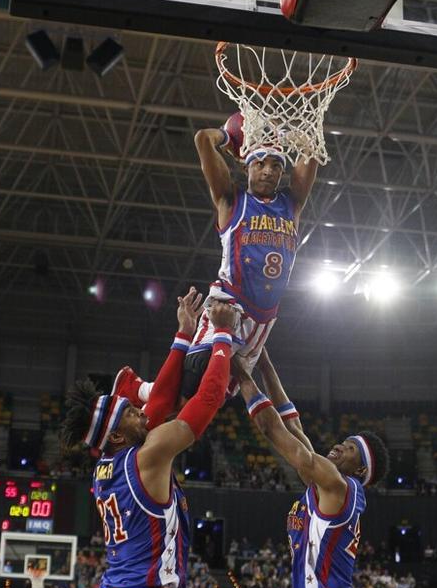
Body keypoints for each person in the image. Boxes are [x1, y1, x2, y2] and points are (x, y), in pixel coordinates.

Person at [111, 112, 321, 406]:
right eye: (260, 163)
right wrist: (229, 135)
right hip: (228, 305)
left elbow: (312, 149)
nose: (268, 171)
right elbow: (202, 140)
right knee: (192, 388)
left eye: (276, 165)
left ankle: (141, 393)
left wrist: (289, 133)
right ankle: (138, 392)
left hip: (264, 320)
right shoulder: (231, 200)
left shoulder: (292, 204)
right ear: (246, 166)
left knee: (208, 400)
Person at [63, 290, 237, 588]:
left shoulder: (110, 464)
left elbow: (159, 400)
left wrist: (184, 334)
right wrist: (222, 334)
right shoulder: (149, 453)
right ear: (116, 434)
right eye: (131, 413)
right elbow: (209, 398)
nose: (142, 414)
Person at [237, 349, 390, 588]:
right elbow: (291, 423)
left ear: (359, 470)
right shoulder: (323, 485)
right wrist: (264, 360)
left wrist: (237, 368)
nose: (341, 446)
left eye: (351, 449)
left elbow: (272, 429)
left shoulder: (338, 485)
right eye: (345, 441)